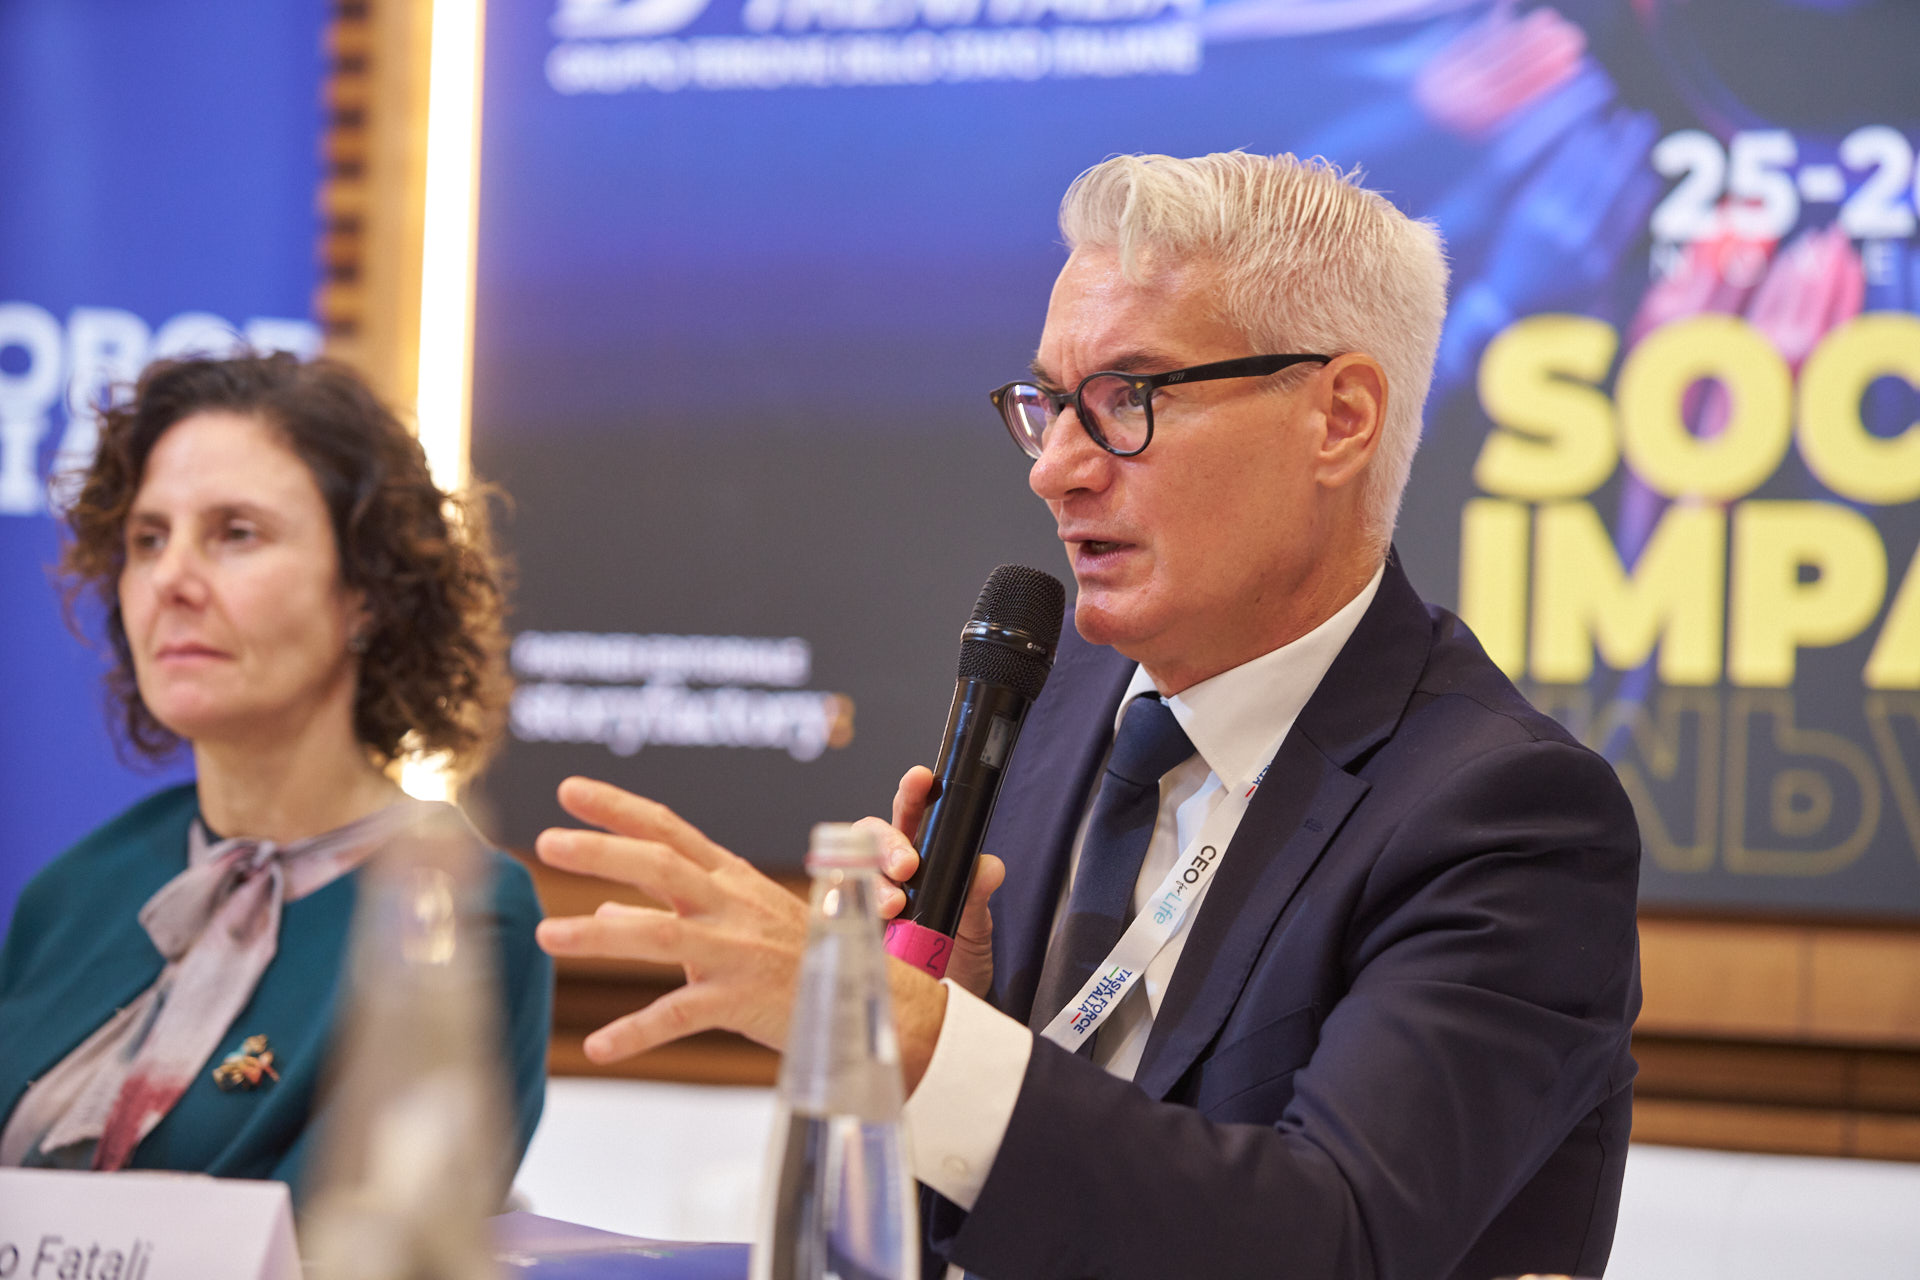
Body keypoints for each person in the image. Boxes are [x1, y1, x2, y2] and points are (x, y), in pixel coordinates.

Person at [533, 151, 1641, 1280]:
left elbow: (1333, 1236)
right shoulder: (1045, 712)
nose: (1055, 469)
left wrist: (918, 1039)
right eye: (1050, 406)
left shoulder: (1507, 818)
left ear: (1339, 419)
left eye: (1127, 400)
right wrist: (932, 1026)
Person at [0, 353, 552, 1199]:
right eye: (149, 540)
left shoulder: (459, 913)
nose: (171, 579)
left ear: (367, 591)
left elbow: (348, 1243)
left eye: (236, 533)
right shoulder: (75, 891)